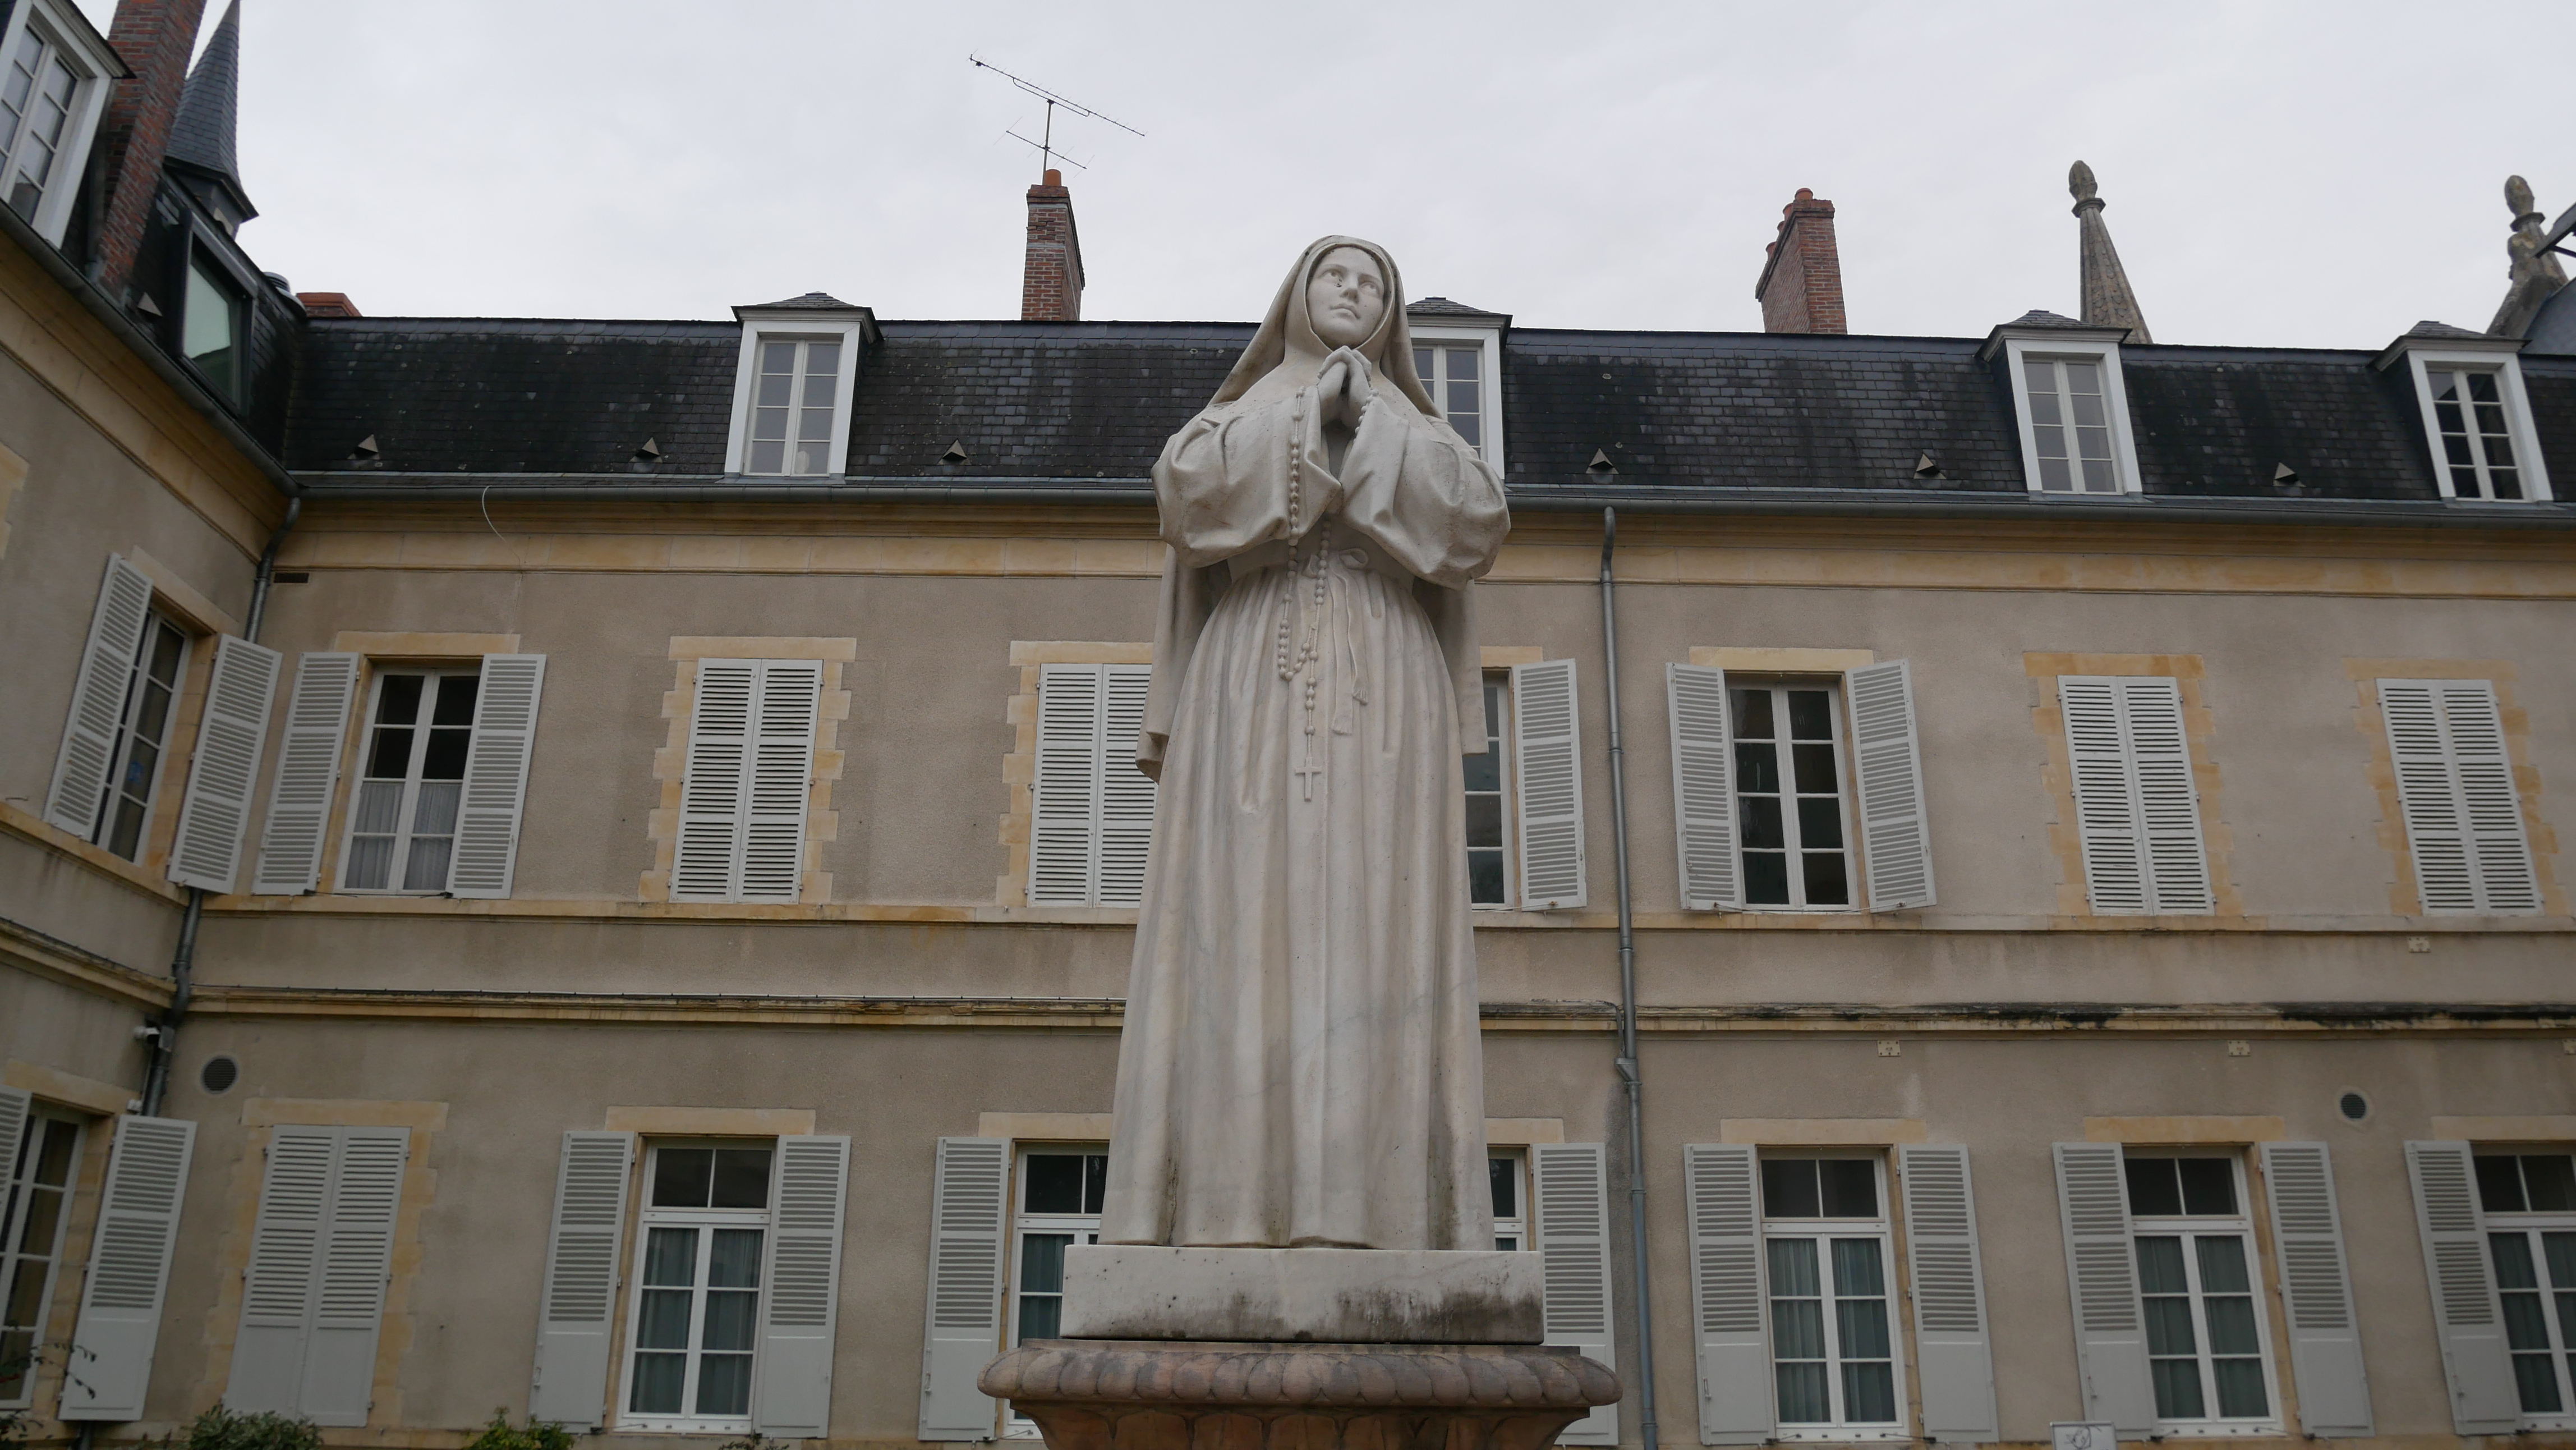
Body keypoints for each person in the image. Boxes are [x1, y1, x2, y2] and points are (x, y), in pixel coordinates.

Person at [1098, 236, 1510, 1250]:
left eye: (1372, 284)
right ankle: (1229, 1211)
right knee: (1236, 924)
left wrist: (1373, 423)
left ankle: (1384, 1212)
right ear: (1298, 294)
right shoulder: (1234, 416)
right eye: (1337, 276)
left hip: (1386, 681)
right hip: (1249, 677)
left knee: (1384, 917)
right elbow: (1186, 499)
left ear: (1389, 318)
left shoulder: (1424, 431)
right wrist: (1306, 417)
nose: (1353, 291)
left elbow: (1475, 528)